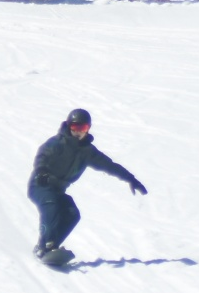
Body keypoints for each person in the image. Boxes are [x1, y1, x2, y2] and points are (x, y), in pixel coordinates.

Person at [28, 108, 146, 264]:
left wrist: (131, 179)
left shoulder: (88, 151)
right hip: (40, 185)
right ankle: (43, 247)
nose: (78, 132)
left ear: (88, 129)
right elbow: (43, 155)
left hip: (58, 190)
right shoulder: (58, 143)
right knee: (51, 205)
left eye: (82, 128)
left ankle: (52, 246)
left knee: (72, 214)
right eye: (75, 127)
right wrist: (42, 171)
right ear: (69, 126)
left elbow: (109, 165)